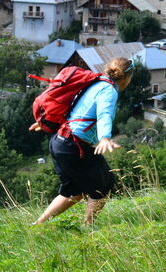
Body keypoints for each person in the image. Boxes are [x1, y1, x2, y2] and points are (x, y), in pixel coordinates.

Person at [32, 57, 134, 225]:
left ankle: (38, 225)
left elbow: (72, 104)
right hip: (73, 144)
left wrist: (46, 121)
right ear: (127, 77)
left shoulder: (95, 82)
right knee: (103, 184)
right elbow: (104, 114)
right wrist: (105, 137)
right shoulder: (109, 90)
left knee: (73, 191)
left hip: (59, 141)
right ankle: (89, 227)